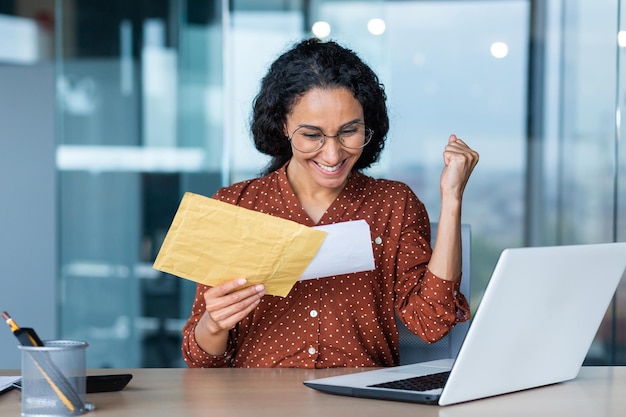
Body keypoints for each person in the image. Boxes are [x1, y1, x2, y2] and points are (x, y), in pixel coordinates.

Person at [181, 37, 479, 368]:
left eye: (349, 132)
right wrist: (214, 323)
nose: (333, 154)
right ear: (283, 127)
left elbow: (432, 323)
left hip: (362, 398)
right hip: (259, 401)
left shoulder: (393, 204)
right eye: (312, 136)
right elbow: (200, 360)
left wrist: (452, 198)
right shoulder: (235, 206)